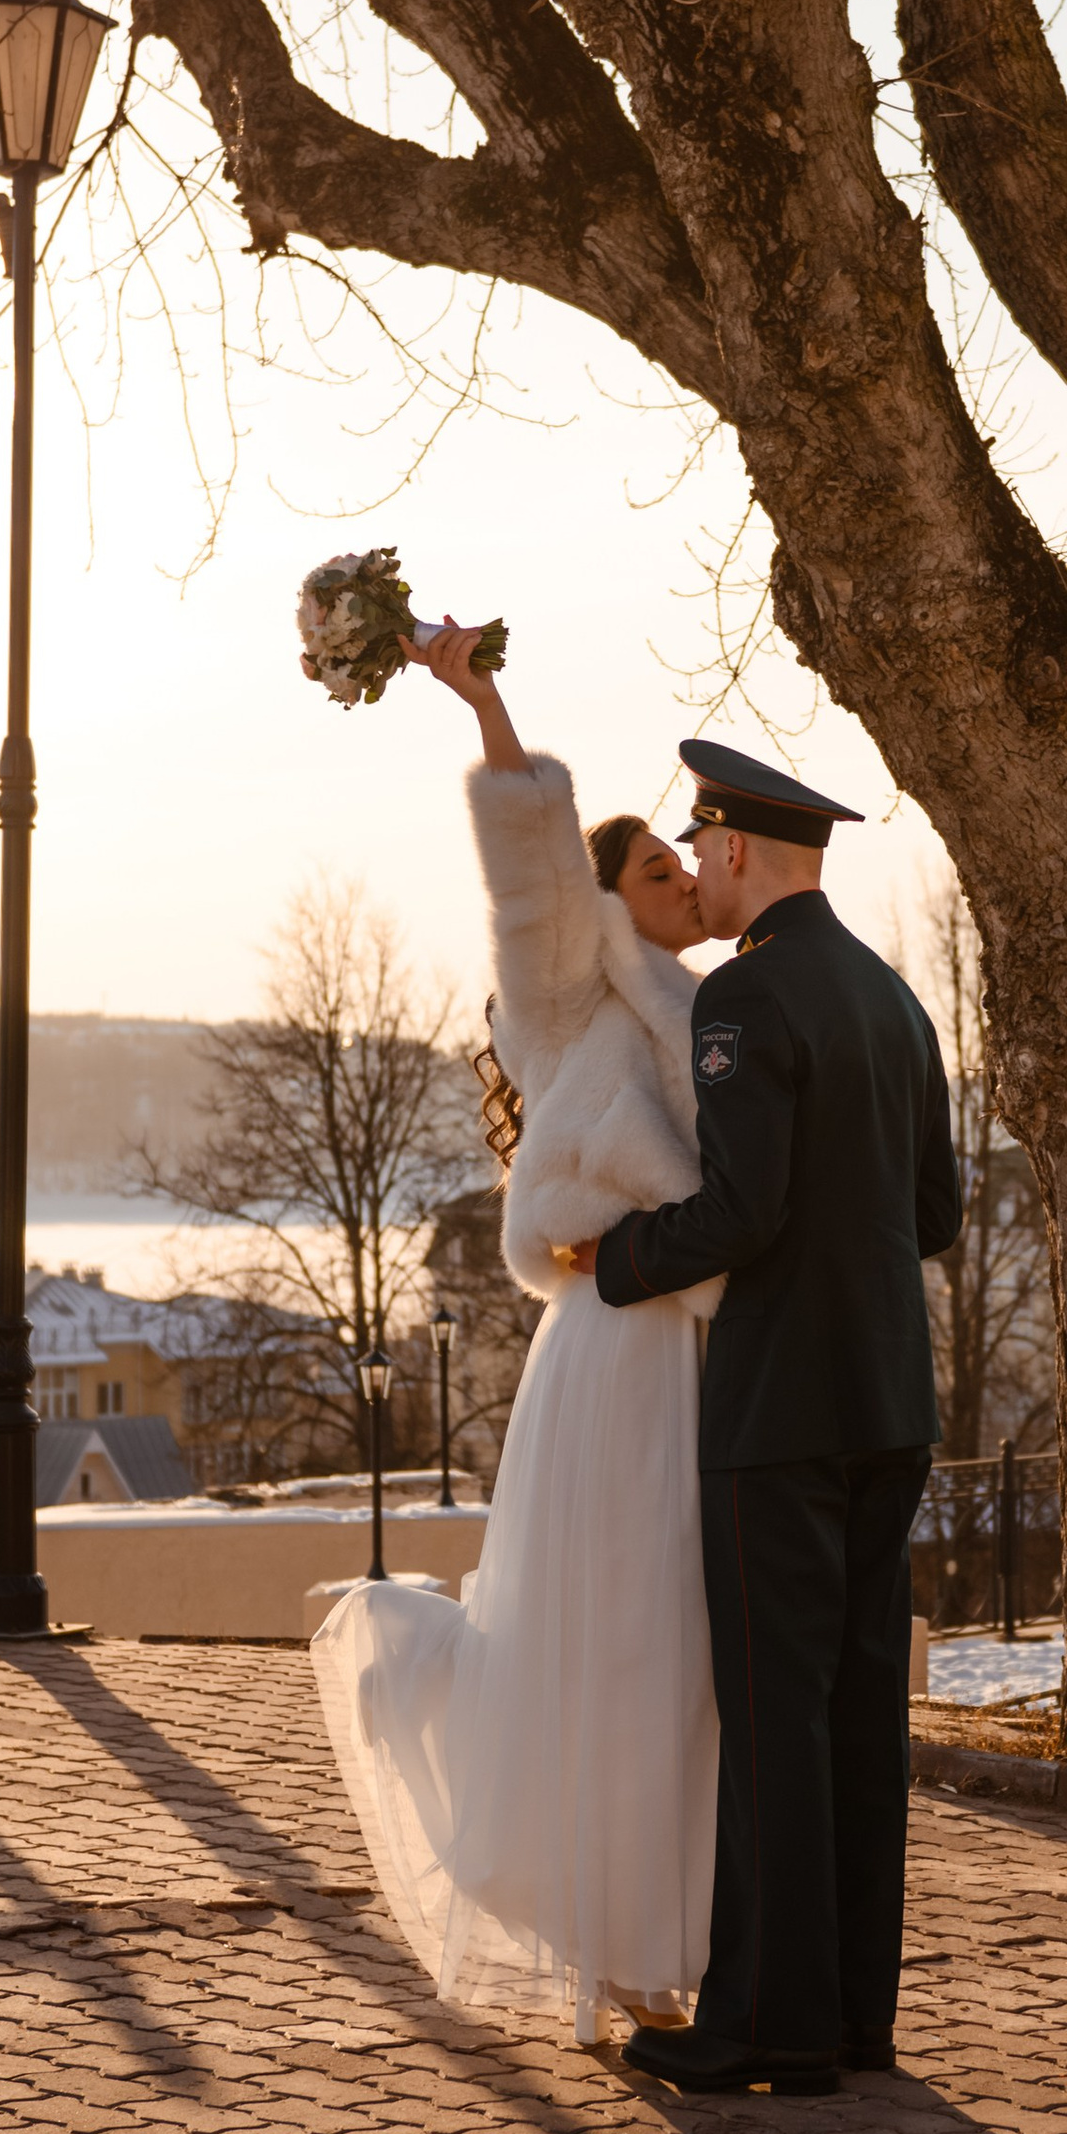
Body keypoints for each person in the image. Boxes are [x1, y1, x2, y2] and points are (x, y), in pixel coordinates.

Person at [308, 632, 719, 2043]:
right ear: (605, 901)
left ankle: (669, 1937)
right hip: (612, 1361)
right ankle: (613, 1954)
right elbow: (531, 864)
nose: (681, 874)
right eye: (656, 864)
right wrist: (486, 702)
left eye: (685, 861)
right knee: (615, 1644)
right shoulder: (571, 999)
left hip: (689, 1356)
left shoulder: (697, 1018)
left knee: (680, 1654)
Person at [581, 740, 964, 2099]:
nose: (699, 868)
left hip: (781, 1414)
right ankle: (857, 2018)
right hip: (890, 1404)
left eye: (704, 846)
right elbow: (937, 1218)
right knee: (862, 1720)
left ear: (738, 850)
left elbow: (742, 1211)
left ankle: (764, 2023)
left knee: (773, 1719)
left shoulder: (741, 1004)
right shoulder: (896, 1001)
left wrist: (615, 1260)